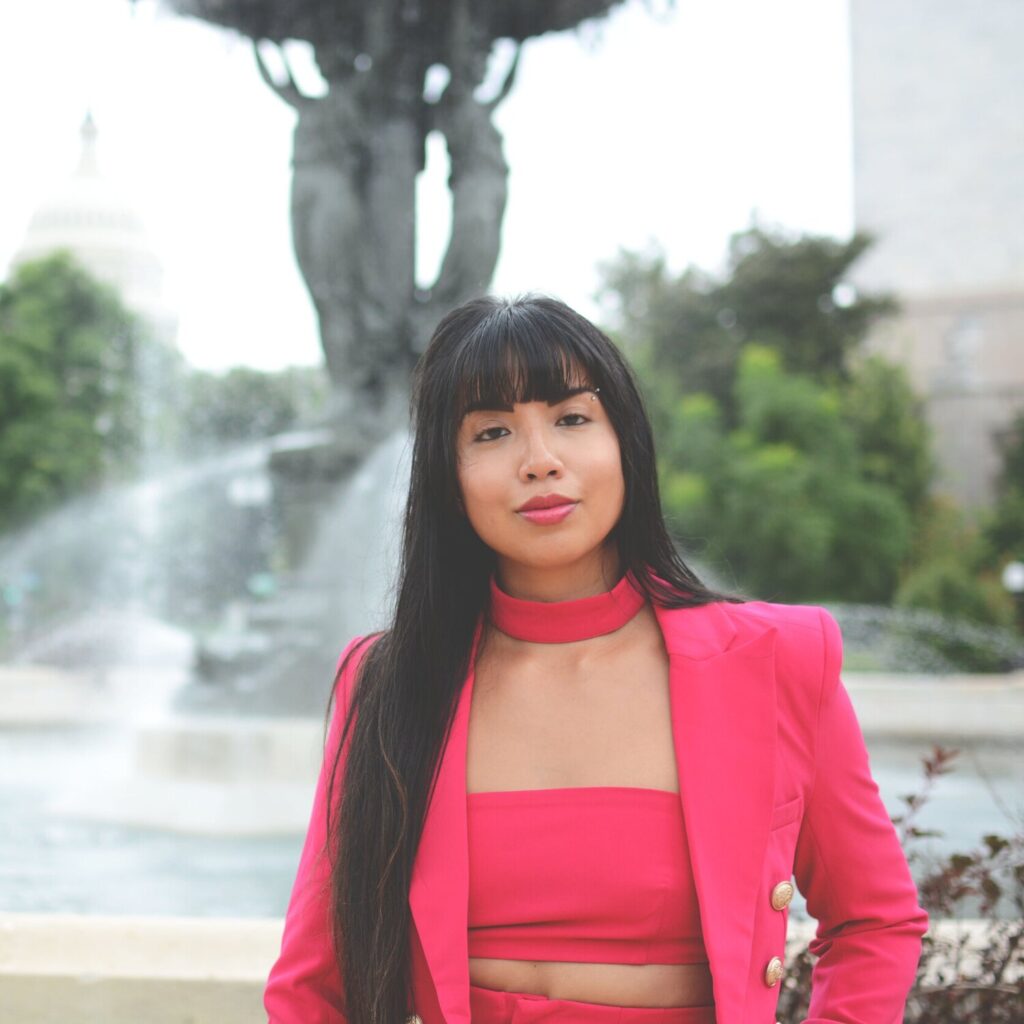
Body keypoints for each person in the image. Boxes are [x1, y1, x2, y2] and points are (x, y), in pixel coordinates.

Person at [264, 295, 928, 1024]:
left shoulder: (777, 659)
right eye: (491, 432)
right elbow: (313, 982)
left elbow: (874, 922)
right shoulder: (390, 682)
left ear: (626, 443)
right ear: (447, 479)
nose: (539, 461)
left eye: (572, 419)